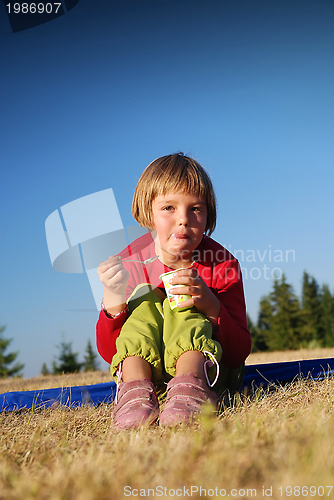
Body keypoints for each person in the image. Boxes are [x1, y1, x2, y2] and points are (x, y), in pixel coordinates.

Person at [96, 153, 251, 429]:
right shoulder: (130, 263)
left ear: (208, 214)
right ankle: (134, 392)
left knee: (182, 302)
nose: (183, 219)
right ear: (148, 211)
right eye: (169, 207)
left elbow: (239, 352)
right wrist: (113, 298)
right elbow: (110, 352)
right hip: (153, 380)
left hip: (214, 374)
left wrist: (210, 305)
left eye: (196, 209)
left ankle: (190, 386)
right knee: (145, 299)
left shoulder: (222, 264)